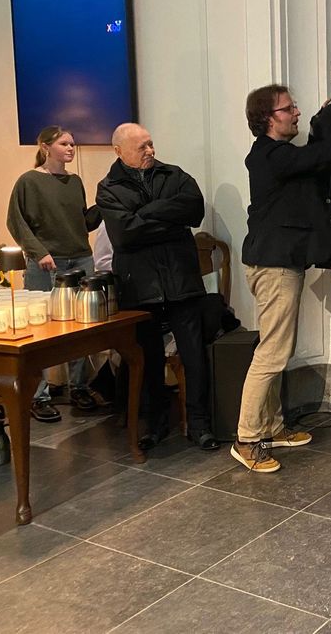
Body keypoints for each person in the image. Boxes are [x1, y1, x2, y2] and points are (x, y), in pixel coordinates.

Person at [231, 84, 331, 472]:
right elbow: (322, 155)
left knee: (273, 348)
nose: (296, 113)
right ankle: (247, 439)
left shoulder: (280, 156)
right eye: (289, 109)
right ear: (269, 119)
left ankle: (271, 427)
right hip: (275, 265)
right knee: (272, 353)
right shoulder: (271, 156)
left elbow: (316, 164)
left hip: (278, 262)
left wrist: (328, 121)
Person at [96, 123, 218, 451]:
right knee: (148, 359)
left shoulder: (174, 175)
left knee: (194, 355)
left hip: (181, 279)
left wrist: (144, 213)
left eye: (151, 144)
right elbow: (124, 235)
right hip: (140, 287)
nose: (150, 151)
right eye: (141, 147)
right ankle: (157, 423)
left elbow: (193, 210)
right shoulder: (107, 188)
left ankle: (200, 424)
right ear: (120, 151)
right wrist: (167, 221)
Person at [6, 125, 102, 422]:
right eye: (65, 144)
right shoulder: (29, 182)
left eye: (73, 144)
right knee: (43, 326)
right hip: (47, 261)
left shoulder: (75, 182)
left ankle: (79, 386)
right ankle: (39, 395)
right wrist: (39, 252)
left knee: (79, 325)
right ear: (46, 147)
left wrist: (106, 205)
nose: (71, 149)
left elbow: (81, 223)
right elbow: (16, 222)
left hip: (80, 258)